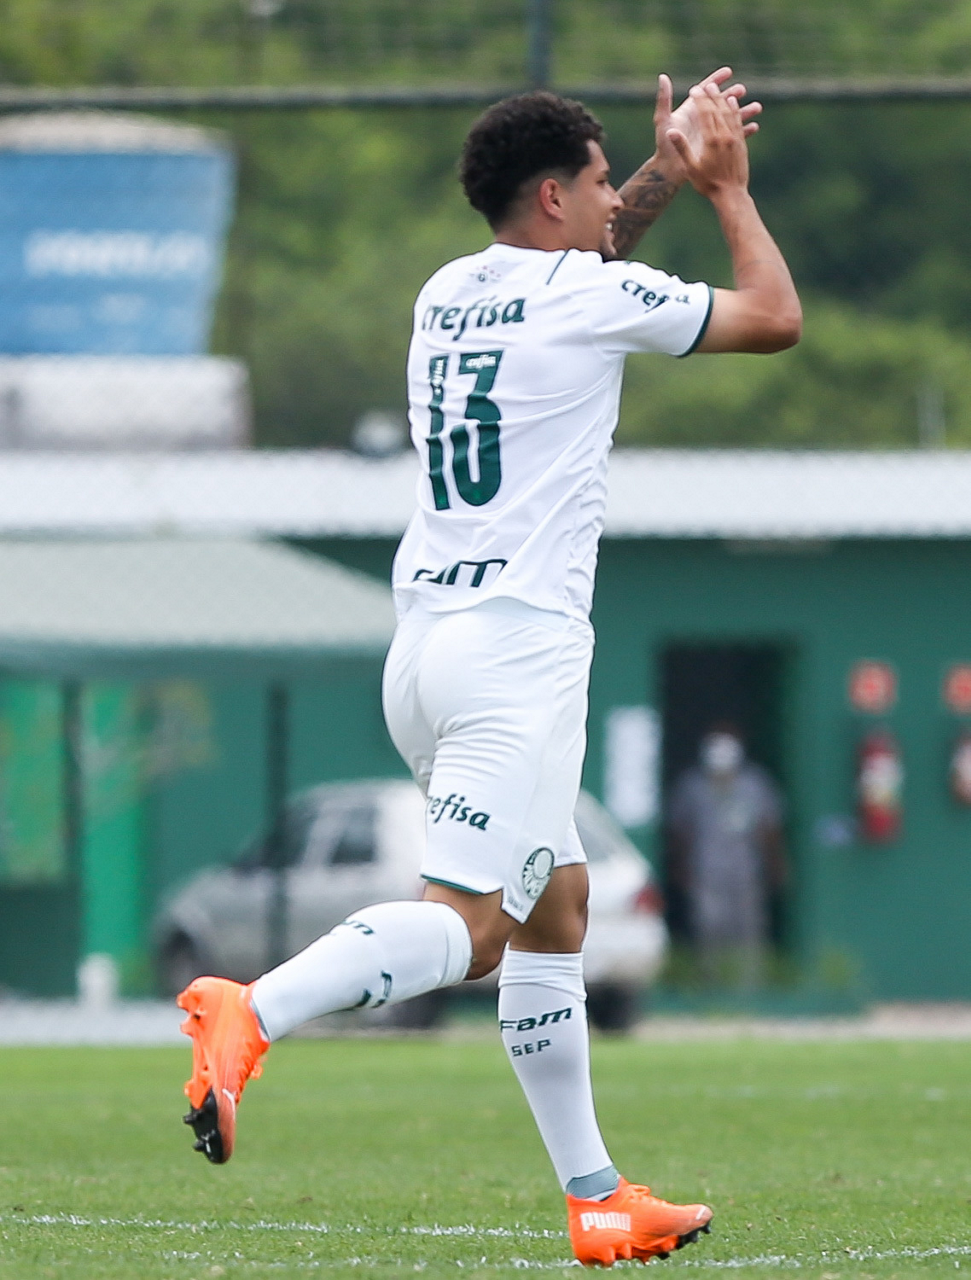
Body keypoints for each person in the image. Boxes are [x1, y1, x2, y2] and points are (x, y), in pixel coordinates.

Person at [176, 70, 801, 1267]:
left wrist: (662, 167)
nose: (617, 198)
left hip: (426, 649)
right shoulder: (585, 291)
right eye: (602, 179)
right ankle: (253, 1008)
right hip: (516, 652)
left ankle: (596, 1196)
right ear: (555, 195)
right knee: (467, 931)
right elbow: (772, 315)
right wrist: (723, 187)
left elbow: (586, 259)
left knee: (556, 903)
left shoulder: (447, 290)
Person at [668, 724, 788, 988]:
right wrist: (680, 867)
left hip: (746, 872)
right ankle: (710, 984)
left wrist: (775, 865)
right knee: (708, 928)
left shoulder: (755, 784)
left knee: (748, 929)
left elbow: (769, 828)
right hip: (705, 872)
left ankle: (750, 985)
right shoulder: (692, 786)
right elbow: (680, 831)